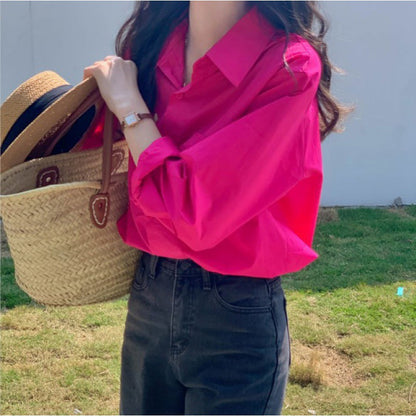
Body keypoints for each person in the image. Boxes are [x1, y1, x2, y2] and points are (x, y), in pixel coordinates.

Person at [83, 1, 350, 414]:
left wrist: (129, 108)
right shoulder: (151, 43)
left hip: (236, 315)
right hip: (150, 293)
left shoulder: (287, 66)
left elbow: (194, 212)